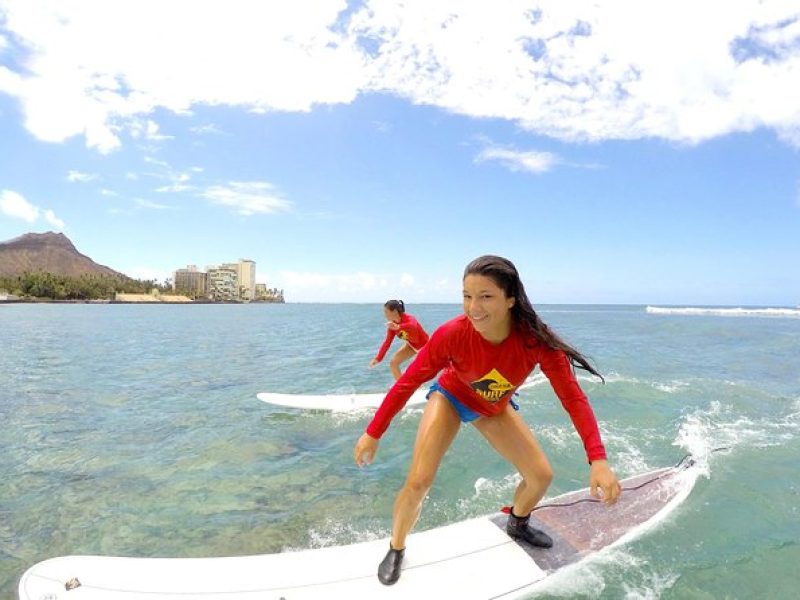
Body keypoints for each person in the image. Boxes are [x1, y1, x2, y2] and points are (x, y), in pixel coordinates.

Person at [354, 255, 621, 586]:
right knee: (420, 480)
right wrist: (373, 432)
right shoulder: (452, 334)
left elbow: (573, 399)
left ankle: (518, 522)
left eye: (485, 296)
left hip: (492, 407)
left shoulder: (536, 341)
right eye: (467, 296)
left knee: (540, 476)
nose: (473, 307)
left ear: (510, 299)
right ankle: (396, 547)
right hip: (450, 397)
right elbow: (408, 381)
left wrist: (597, 458)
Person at [369, 299, 430, 380]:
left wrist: (399, 327)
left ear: (394, 311)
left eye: (386, 312)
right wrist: (378, 358)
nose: (385, 315)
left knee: (417, 371)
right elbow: (387, 342)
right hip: (411, 346)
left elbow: (412, 326)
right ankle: (401, 388)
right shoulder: (392, 326)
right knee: (393, 363)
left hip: (426, 347)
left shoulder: (409, 318)